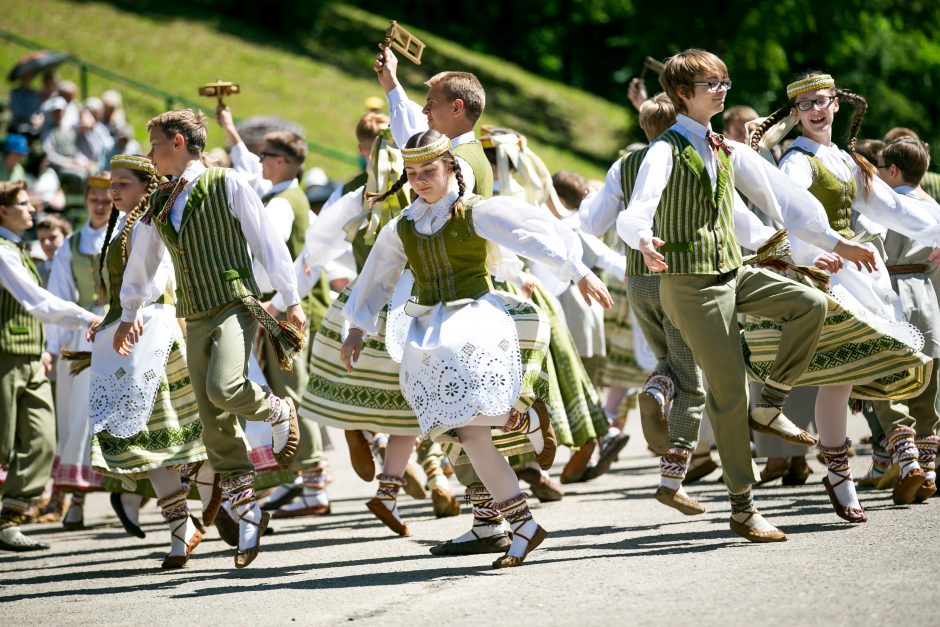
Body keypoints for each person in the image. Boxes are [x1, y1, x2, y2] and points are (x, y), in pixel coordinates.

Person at [618, 50, 876, 541]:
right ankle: (742, 508)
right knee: (728, 390)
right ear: (681, 95)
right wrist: (643, 239)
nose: (721, 90)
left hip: (732, 272)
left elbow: (780, 205)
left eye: (723, 81)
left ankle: (771, 403)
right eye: (710, 84)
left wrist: (833, 244)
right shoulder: (664, 150)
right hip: (690, 286)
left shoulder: (723, 148)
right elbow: (637, 212)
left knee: (810, 305)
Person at [341, 129, 612, 568]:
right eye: (411, 173)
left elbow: (533, 233)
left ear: (450, 168)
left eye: (429, 171)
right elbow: (377, 276)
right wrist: (356, 327)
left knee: (468, 419)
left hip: (473, 321)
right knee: (467, 434)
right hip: (428, 330)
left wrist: (577, 271)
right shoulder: (403, 226)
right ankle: (523, 519)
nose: (420, 180)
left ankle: (518, 428)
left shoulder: (475, 212)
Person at [113, 108, 304, 569]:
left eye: (156, 144)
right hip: (193, 314)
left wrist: (292, 298)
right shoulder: (159, 203)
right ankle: (247, 513)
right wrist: (129, 311)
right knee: (213, 422)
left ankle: (278, 408)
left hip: (234, 301)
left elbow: (266, 242)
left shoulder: (229, 182)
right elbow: (144, 261)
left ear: (178, 142)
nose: (151, 154)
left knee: (225, 387)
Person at [750, 72, 940, 517]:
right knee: (842, 374)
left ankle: (847, 470)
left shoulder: (845, 159)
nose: (816, 110)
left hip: (856, 273)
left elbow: (892, 209)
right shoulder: (796, 160)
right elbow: (789, 213)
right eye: (806, 105)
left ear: (837, 104)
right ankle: (847, 471)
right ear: (795, 114)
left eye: (823, 101)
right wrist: (817, 253)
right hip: (824, 275)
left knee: (843, 379)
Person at [221, 110, 334, 519]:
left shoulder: (283, 204)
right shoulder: (286, 194)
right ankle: (308, 480)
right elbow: (250, 171)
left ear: (283, 161)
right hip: (283, 308)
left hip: (281, 310)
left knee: (290, 393)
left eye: (266, 155)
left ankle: (314, 483)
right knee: (289, 391)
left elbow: (270, 247)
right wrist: (232, 132)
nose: (260, 159)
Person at [0, 180, 100, 551]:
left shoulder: (16, 249)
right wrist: (85, 316)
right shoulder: (3, 252)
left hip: (29, 355)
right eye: (23, 204)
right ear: (3, 210)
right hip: (6, 356)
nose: (31, 209)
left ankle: (9, 518)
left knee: (43, 441)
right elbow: (37, 301)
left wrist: (45, 346)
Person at [867, 137, 940, 502]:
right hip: (925, 294)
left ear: (893, 170)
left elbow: (869, 245)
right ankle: (928, 469)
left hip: (890, 291)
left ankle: (908, 462)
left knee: (889, 381)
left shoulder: (886, 206)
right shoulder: (933, 206)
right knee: (927, 386)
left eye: (880, 168)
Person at [45, 173, 113, 528]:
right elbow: (57, 297)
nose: (100, 206)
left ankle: (129, 497)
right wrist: (52, 347)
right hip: (81, 336)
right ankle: (76, 500)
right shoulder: (72, 245)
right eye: (94, 199)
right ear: (86, 201)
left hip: (120, 332)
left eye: (107, 199)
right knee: (78, 420)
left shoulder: (122, 238)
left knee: (115, 417)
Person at [33, 213, 71, 286]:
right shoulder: (37, 273)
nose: (46, 243)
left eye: (52, 238)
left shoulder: (76, 266)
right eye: (42, 239)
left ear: (66, 236)